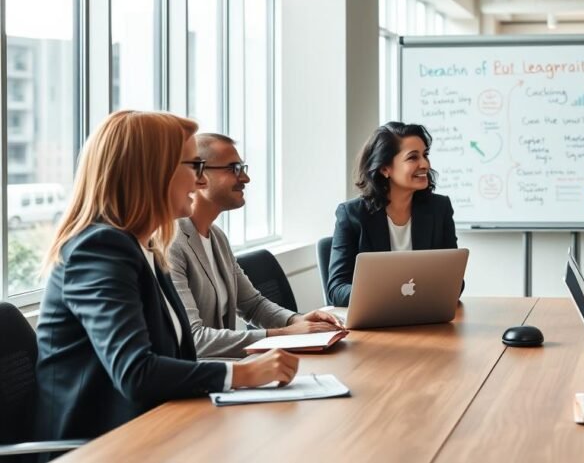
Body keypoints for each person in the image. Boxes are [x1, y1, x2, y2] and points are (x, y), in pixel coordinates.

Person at [34, 111, 299, 445]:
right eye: (194, 167)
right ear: (153, 173)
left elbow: (175, 360)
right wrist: (242, 374)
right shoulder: (99, 249)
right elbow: (136, 372)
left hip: (162, 425)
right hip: (105, 445)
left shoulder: (145, 247)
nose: (200, 182)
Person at [168, 133, 346, 359]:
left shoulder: (217, 236)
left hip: (226, 366)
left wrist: (297, 321)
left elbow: (253, 305)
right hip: (197, 378)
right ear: (199, 175)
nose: (245, 178)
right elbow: (195, 339)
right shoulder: (172, 244)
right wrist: (285, 334)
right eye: (234, 168)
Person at [326, 122, 459, 307]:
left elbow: (455, 282)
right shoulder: (352, 215)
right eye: (413, 157)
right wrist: (390, 295)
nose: (425, 164)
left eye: (425, 155)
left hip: (425, 314)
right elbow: (336, 290)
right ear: (384, 169)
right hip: (376, 319)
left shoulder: (439, 208)